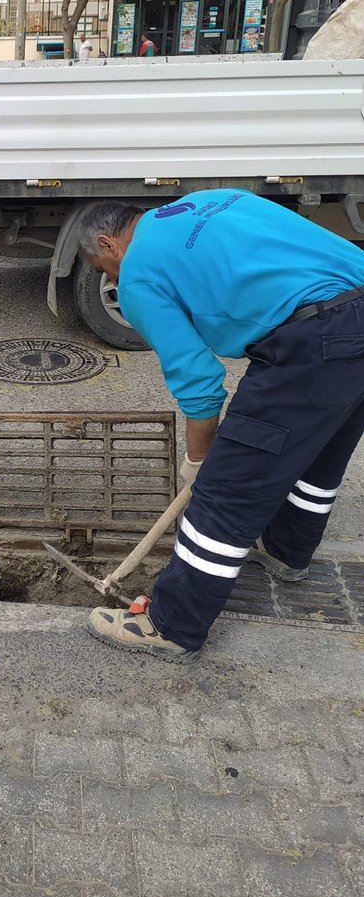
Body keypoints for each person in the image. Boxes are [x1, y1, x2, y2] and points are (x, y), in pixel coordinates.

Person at [78, 190, 364, 662]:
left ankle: (172, 625)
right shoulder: (214, 200)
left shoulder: (138, 274)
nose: (109, 279)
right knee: (318, 457)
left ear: (109, 244)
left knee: (225, 493)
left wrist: (199, 461)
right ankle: (286, 554)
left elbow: (199, 385)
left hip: (309, 341)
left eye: (101, 268)